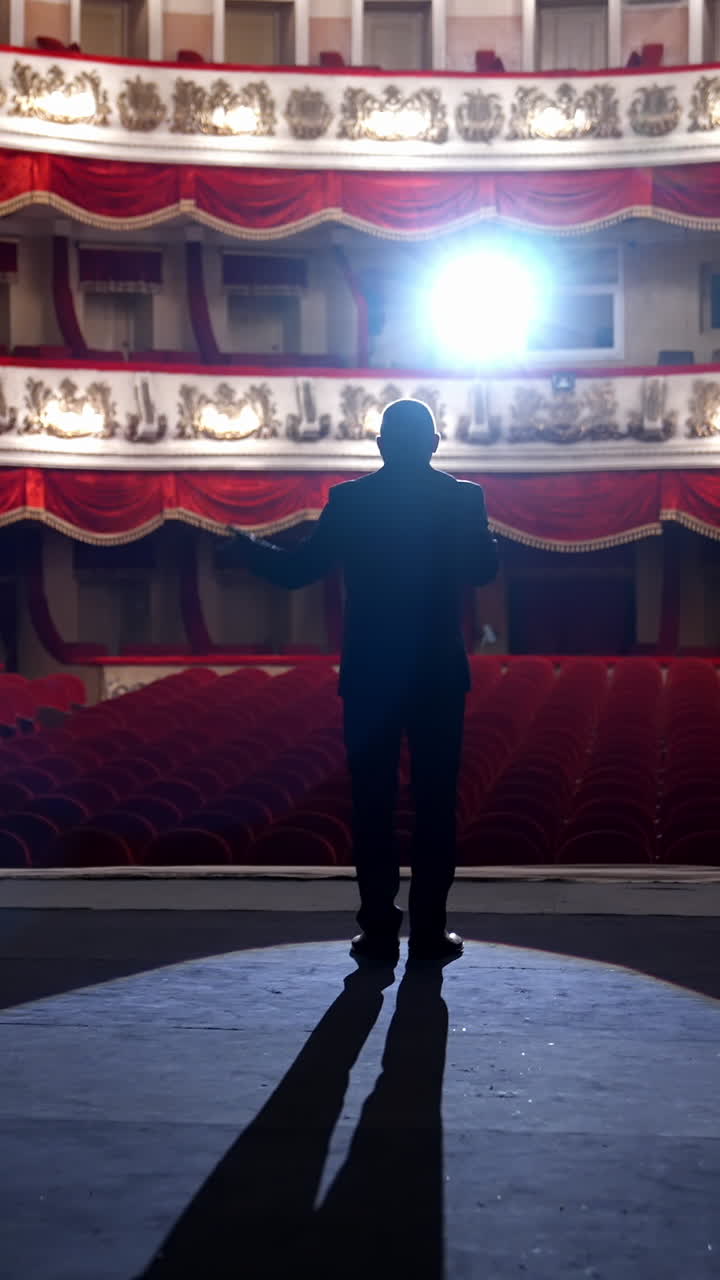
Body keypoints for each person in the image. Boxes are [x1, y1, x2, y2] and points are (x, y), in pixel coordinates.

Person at [219, 398, 499, 963]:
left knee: (371, 804)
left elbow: (300, 571)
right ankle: (428, 933)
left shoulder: (350, 500)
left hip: (371, 672)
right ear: (435, 443)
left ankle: (377, 931)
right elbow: (482, 572)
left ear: (380, 445)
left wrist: (248, 549)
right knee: (435, 805)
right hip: (437, 675)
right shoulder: (462, 497)